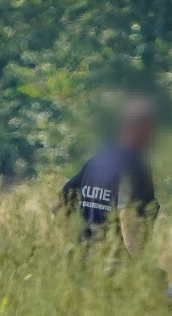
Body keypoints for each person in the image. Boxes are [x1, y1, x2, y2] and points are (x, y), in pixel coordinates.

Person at [63, 96, 160, 250]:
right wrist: (141, 264)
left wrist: (76, 241)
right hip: (116, 265)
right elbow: (128, 217)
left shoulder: (95, 162)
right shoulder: (135, 167)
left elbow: (63, 203)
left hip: (84, 263)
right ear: (142, 128)